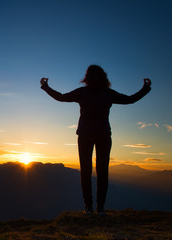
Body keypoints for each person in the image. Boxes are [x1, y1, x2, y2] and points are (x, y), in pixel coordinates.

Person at [40, 65, 151, 216]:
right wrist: (145, 88)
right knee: (102, 171)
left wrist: (45, 86)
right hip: (103, 135)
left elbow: (61, 97)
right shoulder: (108, 93)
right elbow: (130, 100)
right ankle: (101, 208)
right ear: (104, 76)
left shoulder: (82, 92)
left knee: (86, 172)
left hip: (85, 135)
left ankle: (88, 208)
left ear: (87, 77)